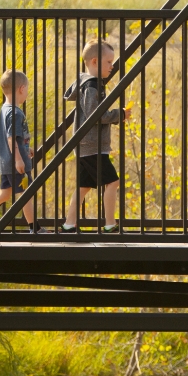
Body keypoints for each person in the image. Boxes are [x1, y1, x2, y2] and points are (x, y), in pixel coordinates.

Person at [61, 39, 132, 233]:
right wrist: (120, 114)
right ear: (94, 61)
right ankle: (110, 224)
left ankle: (69, 224)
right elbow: (96, 115)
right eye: (109, 62)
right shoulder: (92, 86)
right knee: (113, 182)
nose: (112, 66)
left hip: (85, 144)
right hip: (92, 145)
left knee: (84, 185)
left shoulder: (87, 83)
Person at [0, 68, 47, 234]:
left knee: (4, 194)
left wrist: (27, 148)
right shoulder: (15, 113)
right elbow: (12, 138)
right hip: (15, 164)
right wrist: (19, 159)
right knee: (27, 193)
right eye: (27, 88)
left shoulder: (5, 109)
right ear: (21, 89)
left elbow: (14, 138)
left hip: (7, 162)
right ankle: (35, 228)